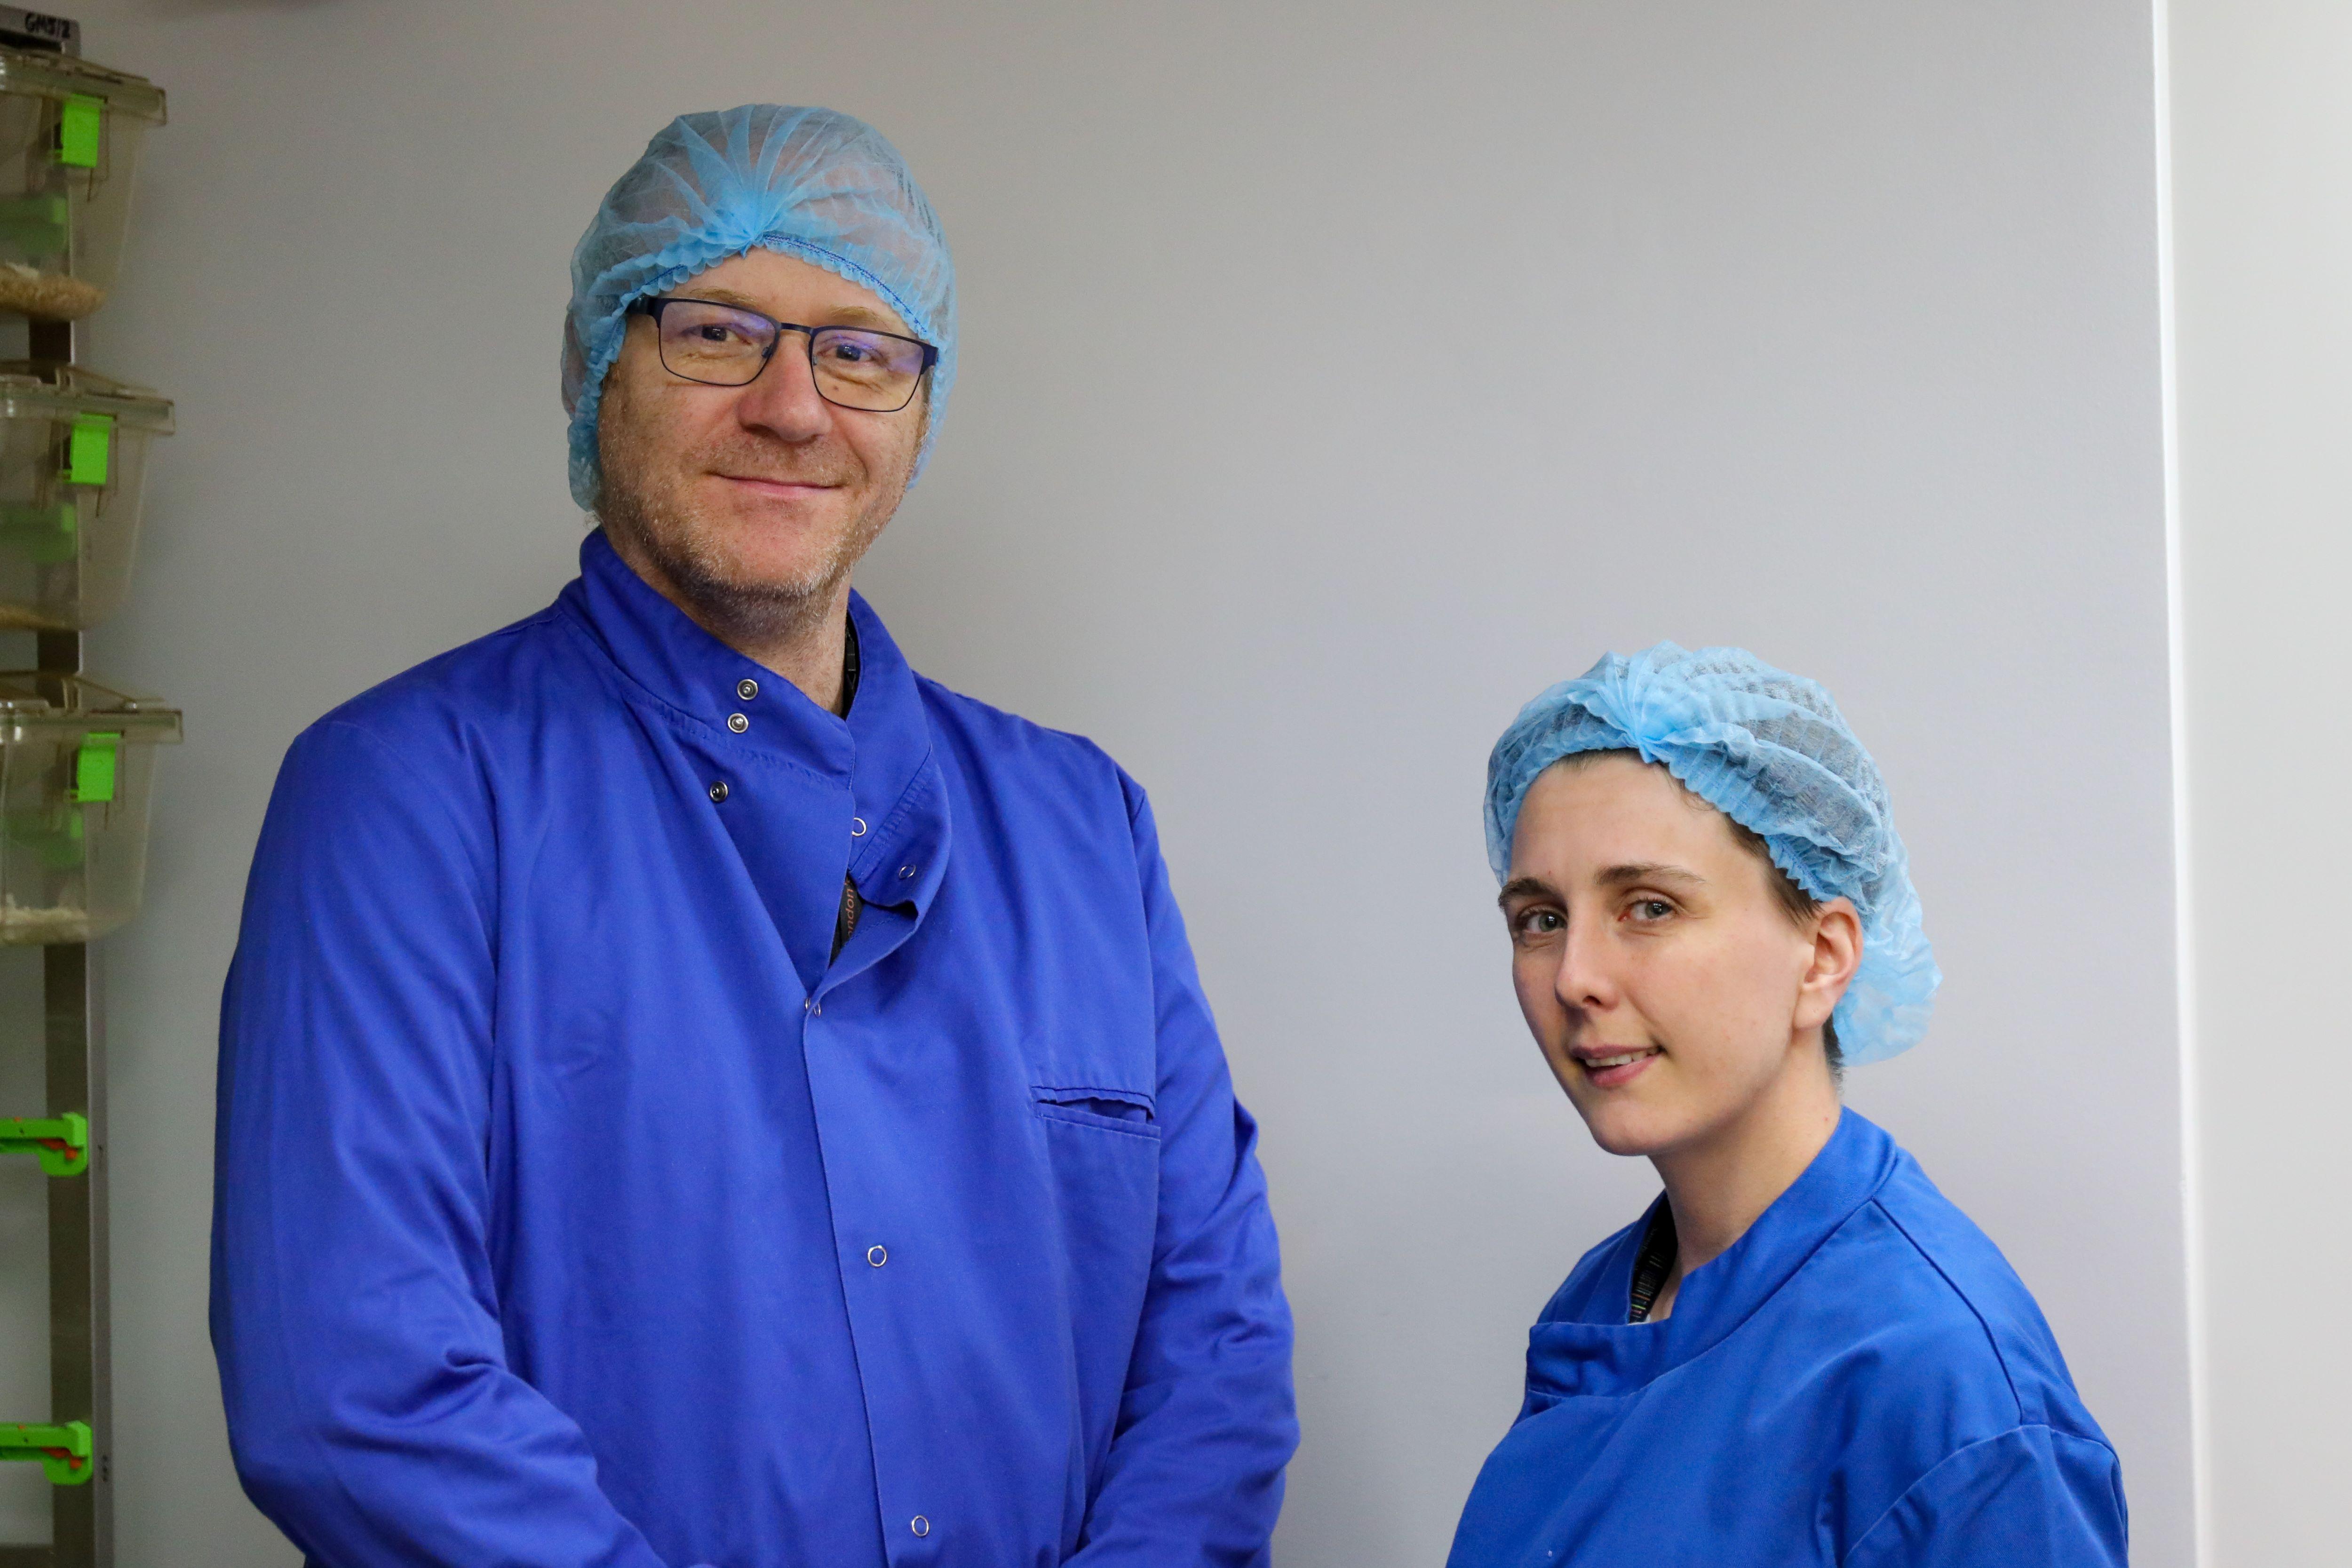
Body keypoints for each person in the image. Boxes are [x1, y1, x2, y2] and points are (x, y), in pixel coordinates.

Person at [210, 105, 1295, 1568]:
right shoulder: (405, 796)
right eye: (718, 332)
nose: (794, 406)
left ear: (921, 403)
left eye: (860, 349)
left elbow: (1213, 1340)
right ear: (602, 367)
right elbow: (356, 1387)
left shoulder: (1079, 821)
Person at [1447, 644, 2126, 1567]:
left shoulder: (1945, 1384)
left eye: (1648, 906)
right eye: (1540, 918)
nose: (1574, 977)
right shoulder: (1613, 1293)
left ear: (1824, 956)